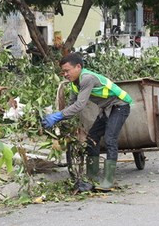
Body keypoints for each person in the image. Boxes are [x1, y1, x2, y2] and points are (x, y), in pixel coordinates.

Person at [43, 53, 132, 190]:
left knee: (110, 138)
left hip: (120, 106)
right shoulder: (74, 83)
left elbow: (80, 105)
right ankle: (92, 176)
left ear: (78, 67)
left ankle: (108, 180)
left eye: (67, 71)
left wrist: (57, 116)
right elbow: (72, 106)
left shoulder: (87, 79)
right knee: (92, 139)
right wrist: (61, 121)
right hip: (106, 108)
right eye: (63, 72)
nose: (65, 74)